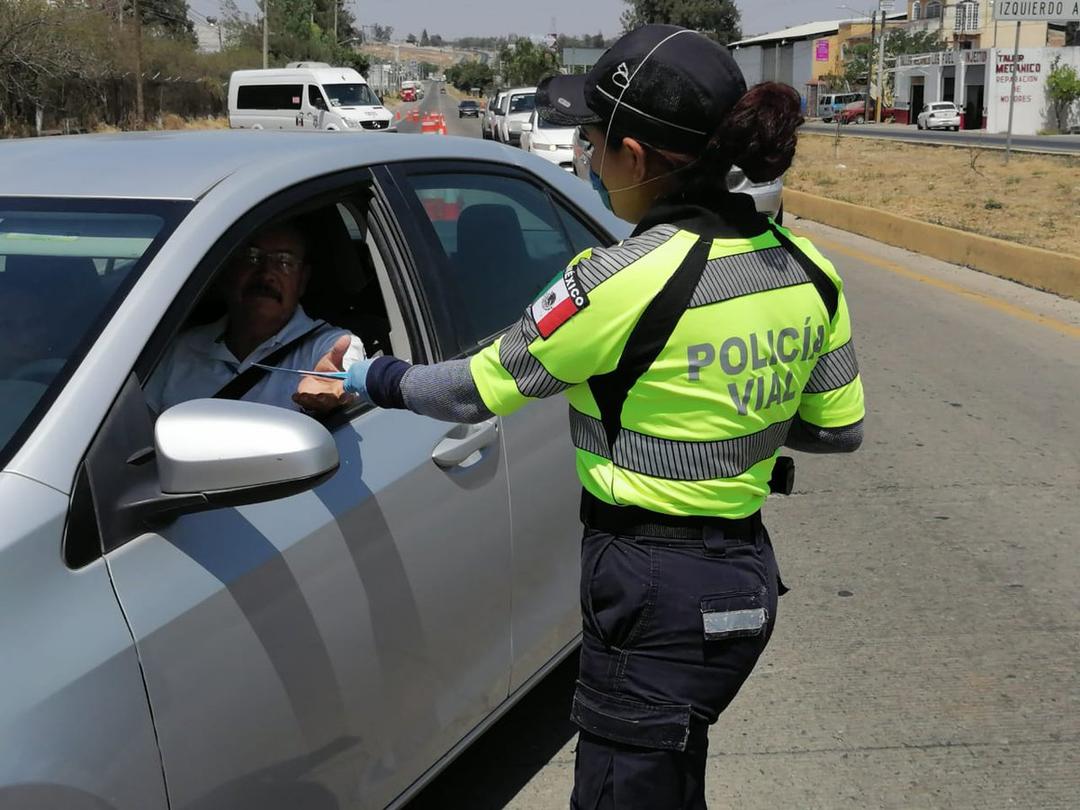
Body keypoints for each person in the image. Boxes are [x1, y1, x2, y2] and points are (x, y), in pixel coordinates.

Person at [330, 24, 865, 808]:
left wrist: (365, 374)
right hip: (744, 577)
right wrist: (727, 420)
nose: (584, 156)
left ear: (634, 157)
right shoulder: (807, 270)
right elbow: (837, 428)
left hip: (652, 587)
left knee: (623, 789)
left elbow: (472, 390)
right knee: (669, 776)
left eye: (591, 140)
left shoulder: (615, 280)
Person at [146, 222, 365, 415]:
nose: (266, 273)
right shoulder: (179, 349)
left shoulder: (330, 347)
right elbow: (135, 433)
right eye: (252, 257)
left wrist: (337, 392)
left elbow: (347, 383)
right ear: (228, 271)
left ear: (302, 280)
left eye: (285, 261)